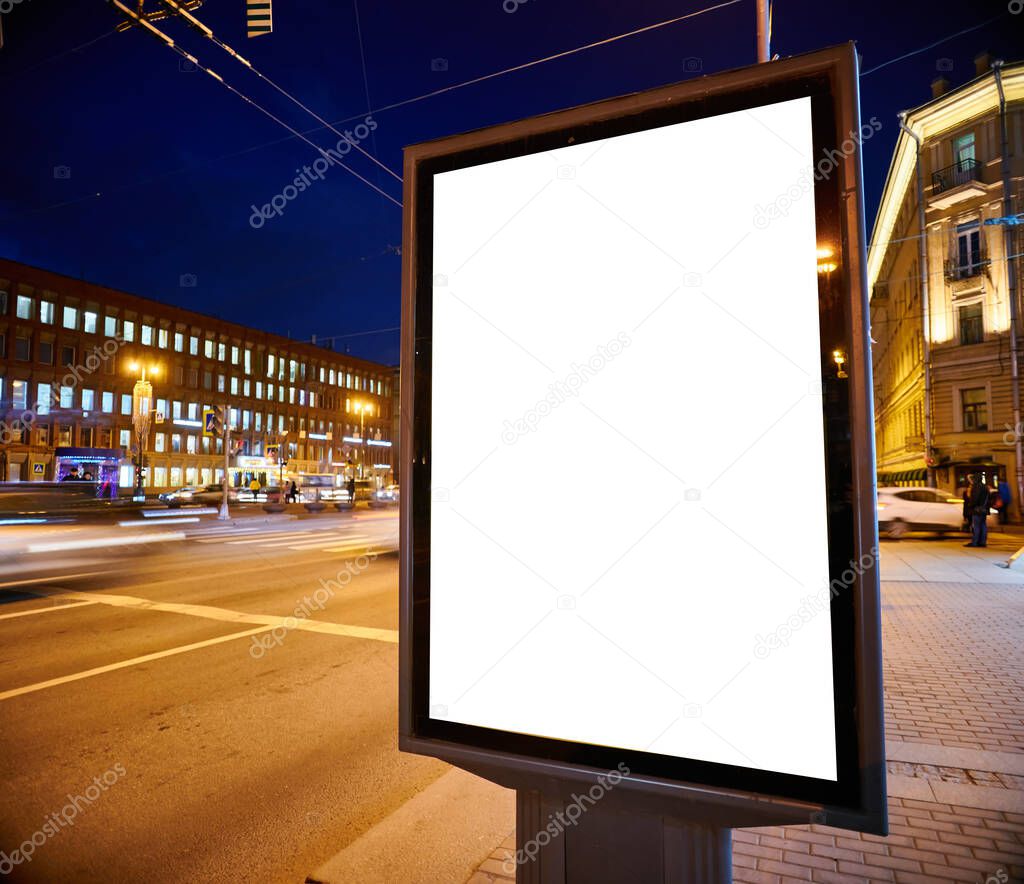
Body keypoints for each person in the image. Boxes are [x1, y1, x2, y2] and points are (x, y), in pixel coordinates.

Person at [964, 473, 990, 548]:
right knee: (983, 525)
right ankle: (982, 542)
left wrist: (970, 505)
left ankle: (975, 542)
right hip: (984, 509)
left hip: (977, 509)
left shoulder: (976, 487)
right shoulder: (985, 487)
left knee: (976, 526)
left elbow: (975, 499)